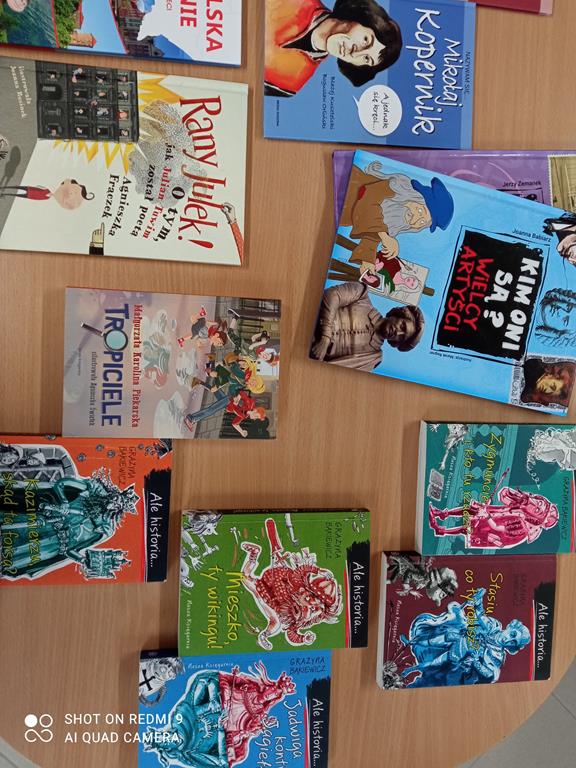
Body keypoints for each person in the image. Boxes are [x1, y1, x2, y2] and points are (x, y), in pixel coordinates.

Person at [265, 0, 402, 97]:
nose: (356, 53)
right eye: (366, 40)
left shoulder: (291, 85)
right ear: (360, 17)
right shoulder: (298, 2)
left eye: (366, 59)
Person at [401, 588, 531, 687]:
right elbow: (480, 615)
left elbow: (490, 673)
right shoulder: (493, 626)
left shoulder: (498, 656)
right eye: (512, 635)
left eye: (513, 642)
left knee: (434, 663)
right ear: (510, 627)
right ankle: (411, 642)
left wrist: (476, 661)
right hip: (458, 636)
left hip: (459, 654)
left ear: (512, 647)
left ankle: (412, 669)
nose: (508, 639)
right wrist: (478, 600)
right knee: (433, 641)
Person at [341, 161, 455, 274]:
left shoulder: (396, 220)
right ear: (416, 197)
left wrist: (367, 261)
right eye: (420, 211)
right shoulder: (394, 188)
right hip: (343, 185)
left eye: (421, 222)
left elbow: (372, 235)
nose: (414, 220)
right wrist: (384, 236)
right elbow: (368, 198)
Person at [310, 281, 424, 371]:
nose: (397, 333)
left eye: (401, 337)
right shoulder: (361, 295)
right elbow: (332, 295)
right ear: (398, 315)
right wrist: (325, 337)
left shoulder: (372, 358)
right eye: (402, 326)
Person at [0, 179, 95, 210]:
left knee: (20, 194)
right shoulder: (47, 191)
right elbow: (39, 187)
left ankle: (6, 193)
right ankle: (5, 188)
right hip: (32, 190)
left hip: (32, 195)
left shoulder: (46, 198)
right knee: (19, 188)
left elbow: (36, 198)